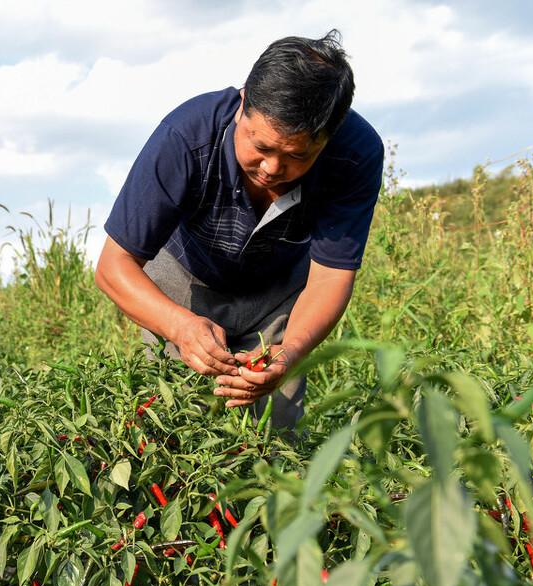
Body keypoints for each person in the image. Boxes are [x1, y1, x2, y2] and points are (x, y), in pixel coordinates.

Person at [94, 31, 383, 429]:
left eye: (297, 156)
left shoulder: (355, 154)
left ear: (329, 138)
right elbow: (114, 266)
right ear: (243, 103)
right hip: (184, 279)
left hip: (279, 293)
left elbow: (331, 277)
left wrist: (291, 351)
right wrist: (179, 326)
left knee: (274, 429)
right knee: (174, 421)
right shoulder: (186, 135)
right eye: (260, 146)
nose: (271, 169)